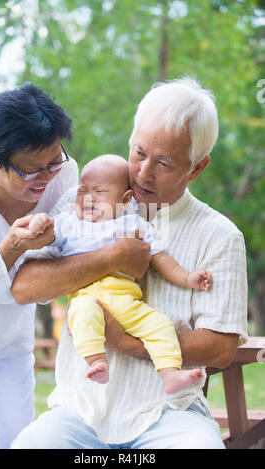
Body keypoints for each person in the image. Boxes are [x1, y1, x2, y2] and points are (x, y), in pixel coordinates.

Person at [11, 77, 248, 449]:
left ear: (197, 167)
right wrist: (109, 258)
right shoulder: (85, 201)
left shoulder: (220, 235)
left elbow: (221, 347)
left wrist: (125, 342)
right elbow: (24, 288)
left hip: (169, 414)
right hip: (79, 412)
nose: (143, 173)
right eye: (138, 153)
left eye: (164, 163)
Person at [0, 83, 150, 449]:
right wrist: (11, 247)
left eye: (55, 160)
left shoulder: (66, 175)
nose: (48, 176)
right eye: (32, 171)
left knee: (13, 441)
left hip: (7, 341)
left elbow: (64, 261)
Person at [27, 154, 210, 392]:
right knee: (82, 315)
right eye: (83, 191)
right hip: (87, 298)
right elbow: (45, 236)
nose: (88, 199)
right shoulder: (69, 223)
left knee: (161, 325)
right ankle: (96, 361)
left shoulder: (134, 225)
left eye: (99, 192)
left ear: (125, 200)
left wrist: (187, 277)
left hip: (128, 303)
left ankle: (169, 373)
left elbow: (160, 258)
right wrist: (37, 223)